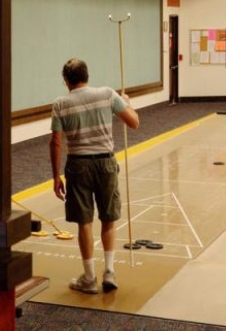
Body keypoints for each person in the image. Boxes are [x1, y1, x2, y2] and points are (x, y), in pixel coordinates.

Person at [49, 58, 139, 294]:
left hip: (78, 165)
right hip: (105, 163)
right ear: (87, 75)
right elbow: (134, 122)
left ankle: (89, 279)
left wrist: (56, 176)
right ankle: (109, 272)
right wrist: (128, 103)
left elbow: (56, 142)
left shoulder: (60, 104)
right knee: (108, 218)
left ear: (66, 80)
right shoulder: (107, 94)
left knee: (84, 222)